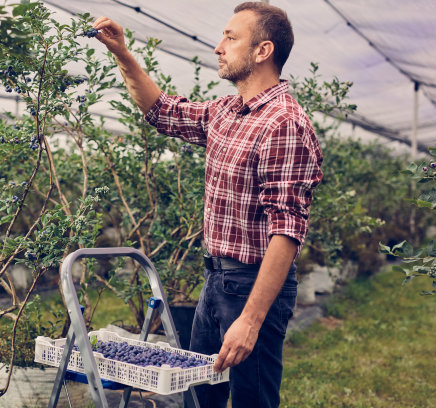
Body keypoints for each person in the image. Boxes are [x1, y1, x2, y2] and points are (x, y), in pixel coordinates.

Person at [93, 2, 323, 407]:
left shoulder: (284, 123)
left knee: (253, 400)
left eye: (231, 38)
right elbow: (161, 111)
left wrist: (250, 321)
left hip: (253, 286)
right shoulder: (226, 112)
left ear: (262, 51)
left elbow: (287, 230)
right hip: (216, 280)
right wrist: (122, 54)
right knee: (200, 398)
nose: (219, 47)